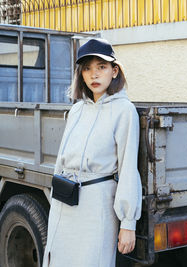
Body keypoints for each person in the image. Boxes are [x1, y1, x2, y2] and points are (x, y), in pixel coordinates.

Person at [43, 38, 142, 267]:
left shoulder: (124, 111)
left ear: (114, 71)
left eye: (101, 67)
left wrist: (128, 223)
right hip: (64, 203)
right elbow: (61, 159)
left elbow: (128, 168)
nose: (93, 75)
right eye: (87, 68)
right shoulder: (77, 109)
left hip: (97, 204)